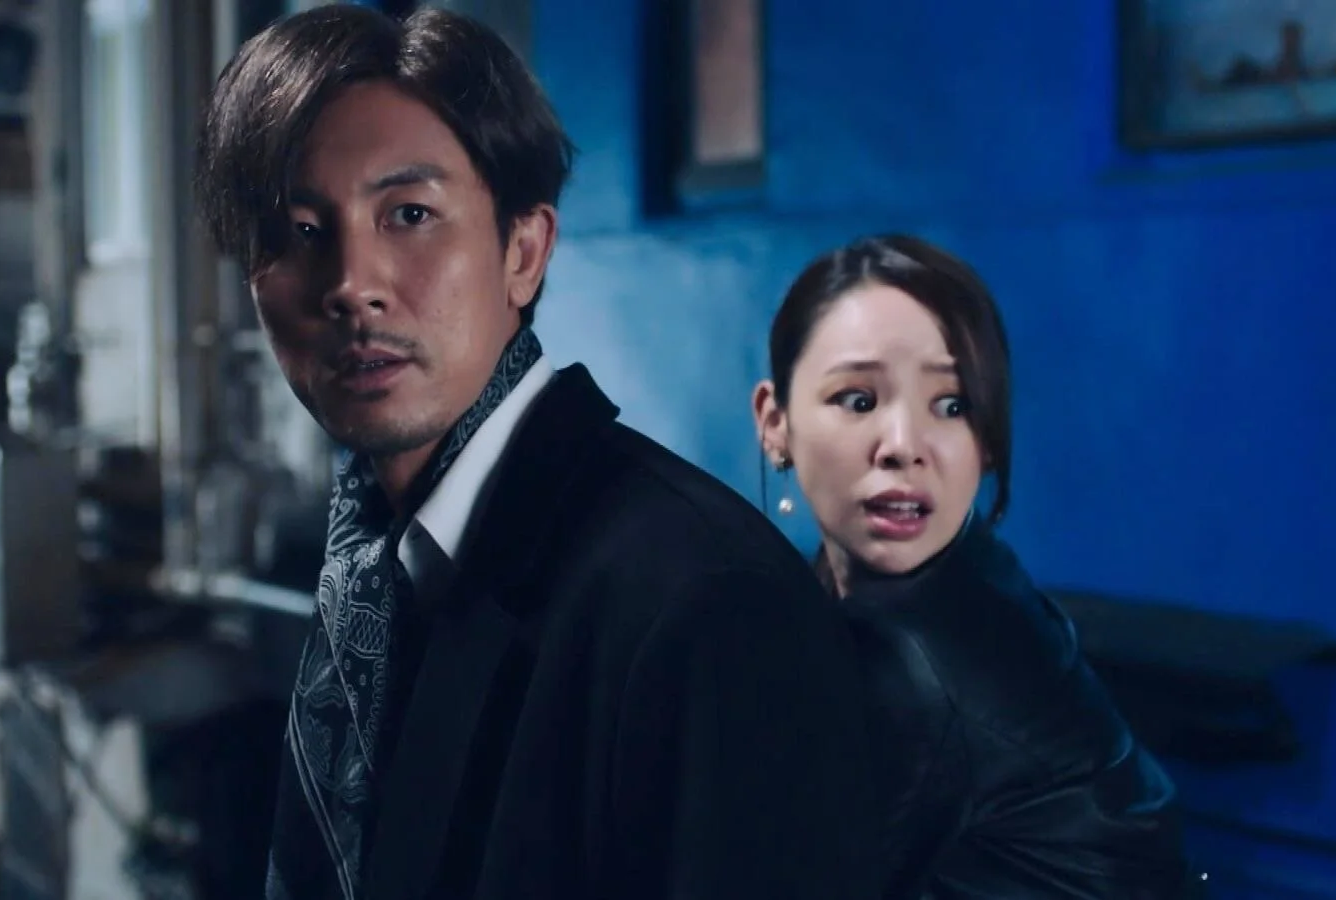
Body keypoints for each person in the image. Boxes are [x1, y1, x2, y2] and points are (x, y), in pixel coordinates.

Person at [194, 7, 882, 900]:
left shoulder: (707, 603)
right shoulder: (372, 564)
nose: (353, 285)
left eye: (409, 214)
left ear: (524, 251)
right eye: (300, 231)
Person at [751, 235, 1193, 898]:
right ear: (775, 422)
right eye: (859, 399)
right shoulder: (954, 571)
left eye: (953, 405)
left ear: (987, 440)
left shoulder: (925, 671)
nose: (904, 446)